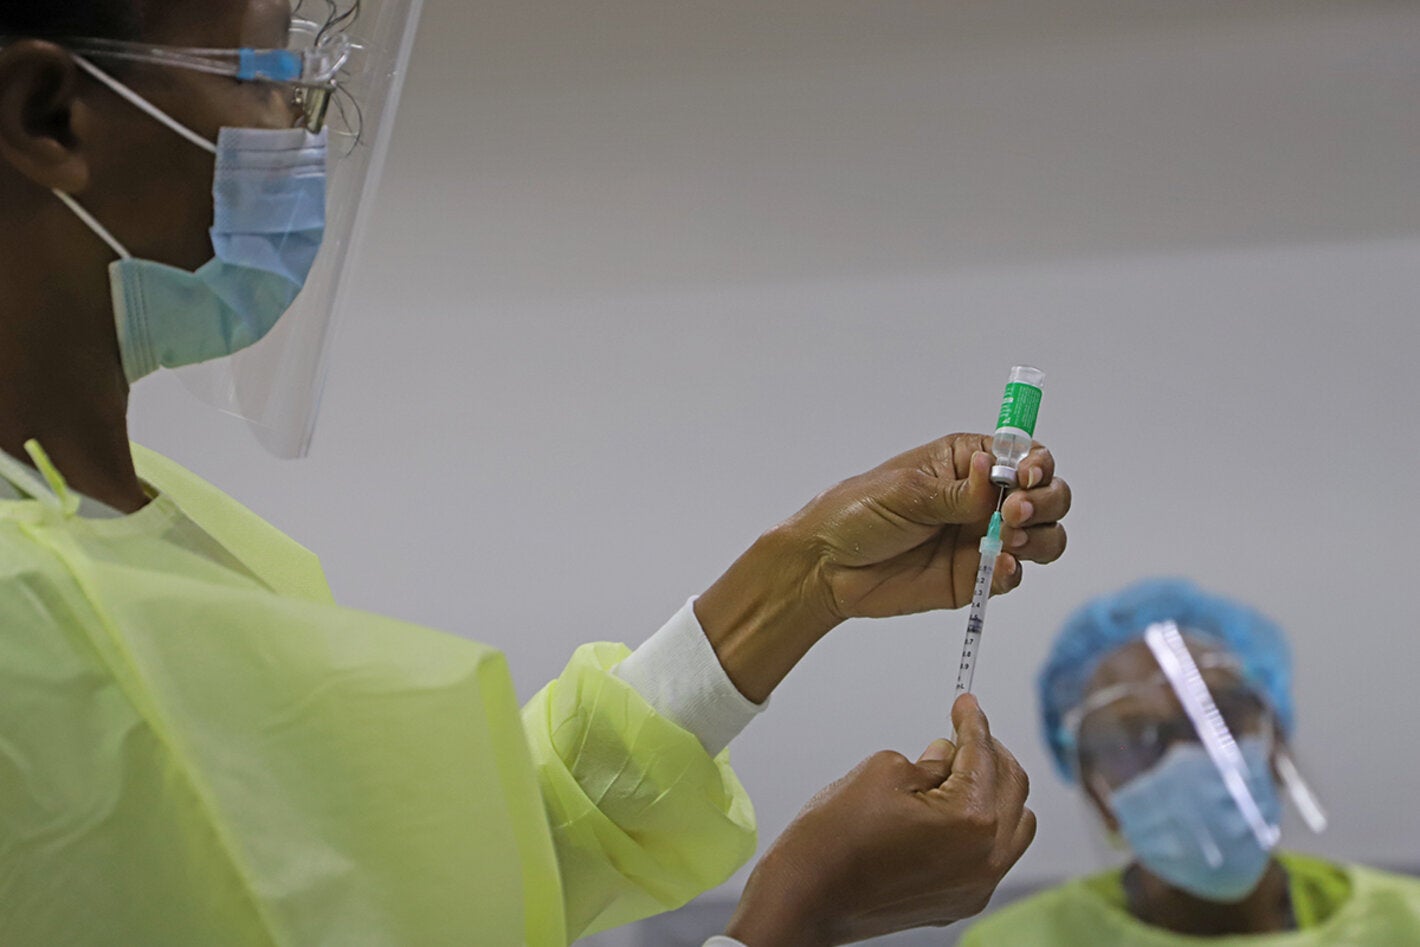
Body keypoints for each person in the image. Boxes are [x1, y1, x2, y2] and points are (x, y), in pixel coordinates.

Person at [0, 2, 1072, 944]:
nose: (304, 132)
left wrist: (802, 579)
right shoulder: (26, 627)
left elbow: (434, 881)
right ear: (50, 113)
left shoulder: (149, 534)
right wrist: (796, 918)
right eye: (270, 69)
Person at [959, 579, 1420, 946]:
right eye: (1136, 738)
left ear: (1274, 742)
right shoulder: (1018, 941)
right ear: (1095, 789)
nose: (1190, 758)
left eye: (1219, 715)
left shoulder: (1406, 922)